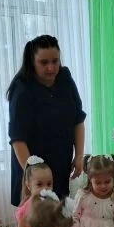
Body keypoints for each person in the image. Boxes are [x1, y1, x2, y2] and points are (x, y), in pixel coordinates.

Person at [7, 34, 86, 204]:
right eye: (44, 63)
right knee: (36, 215)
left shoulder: (65, 78)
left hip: (61, 161)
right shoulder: (22, 89)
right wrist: (33, 176)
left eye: (55, 61)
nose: (51, 68)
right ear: (32, 62)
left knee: (59, 211)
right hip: (33, 167)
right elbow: (18, 139)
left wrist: (79, 155)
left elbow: (78, 119)